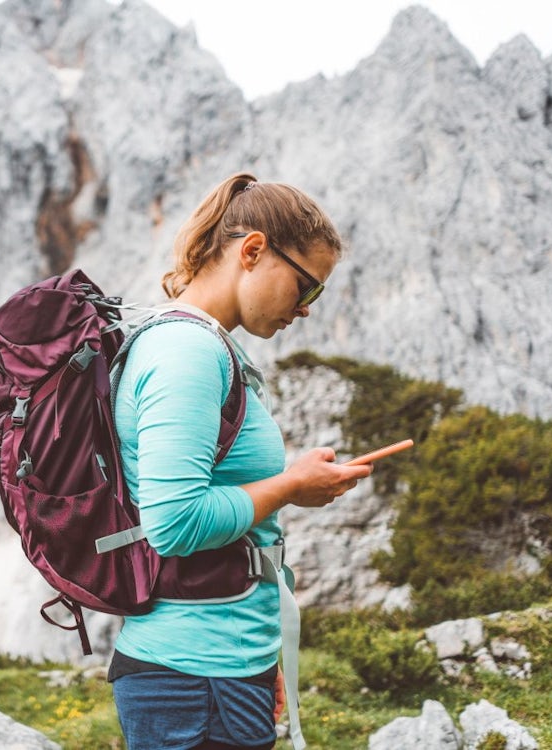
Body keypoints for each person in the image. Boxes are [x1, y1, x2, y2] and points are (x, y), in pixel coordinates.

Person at [108, 173, 373, 750]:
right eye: (307, 287)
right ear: (252, 251)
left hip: (218, 668)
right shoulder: (186, 352)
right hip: (191, 679)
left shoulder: (204, 345)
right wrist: (290, 485)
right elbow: (175, 522)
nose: (305, 310)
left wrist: (256, 654)